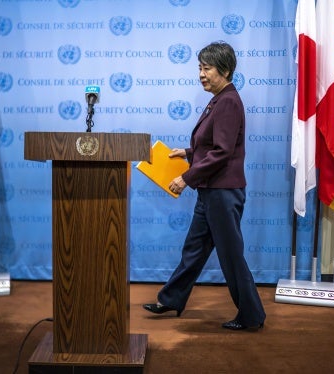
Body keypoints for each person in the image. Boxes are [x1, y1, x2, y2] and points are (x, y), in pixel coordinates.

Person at [143, 41, 266, 331]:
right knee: (194, 249)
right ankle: (172, 299)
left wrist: (186, 177)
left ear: (224, 70)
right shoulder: (219, 99)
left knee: (231, 257)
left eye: (206, 68)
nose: (201, 74)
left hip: (222, 193)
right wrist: (186, 152)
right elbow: (214, 144)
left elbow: (222, 152)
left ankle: (252, 316)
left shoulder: (228, 102)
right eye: (199, 67)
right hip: (211, 191)